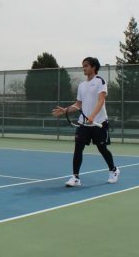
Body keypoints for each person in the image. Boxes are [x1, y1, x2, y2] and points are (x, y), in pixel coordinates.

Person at [52, 57, 120, 187]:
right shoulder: (82, 85)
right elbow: (78, 105)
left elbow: (101, 100)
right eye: (83, 66)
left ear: (93, 67)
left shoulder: (100, 81)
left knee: (102, 148)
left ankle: (114, 170)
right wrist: (65, 110)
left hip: (98, 122)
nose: (84, 68)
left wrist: (92, 116)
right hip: (84, 123)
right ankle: (75, 177)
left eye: (86, 65)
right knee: (78, 148)